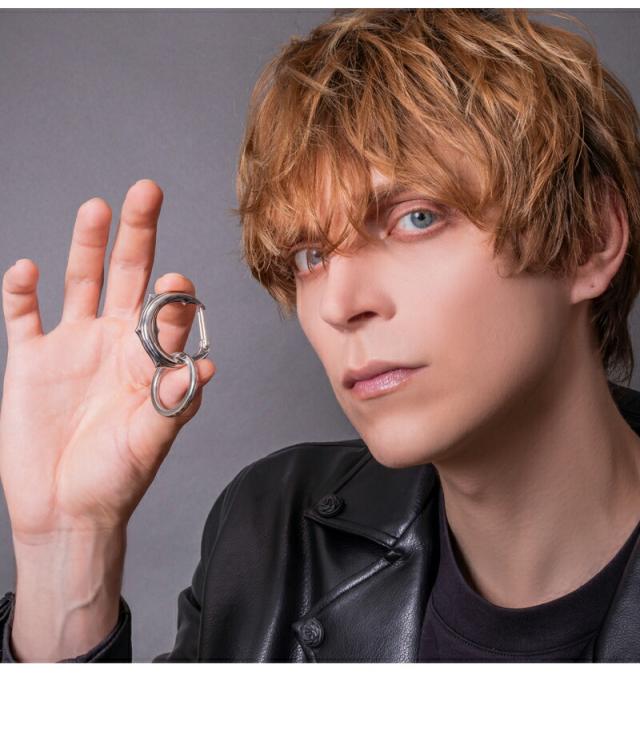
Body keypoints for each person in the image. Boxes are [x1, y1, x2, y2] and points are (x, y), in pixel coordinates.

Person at [2, 7, 640, 663]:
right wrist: (68, 547)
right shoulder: (272, 533)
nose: (339, 304)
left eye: (416, 218)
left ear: (589, 239)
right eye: (310, 256)